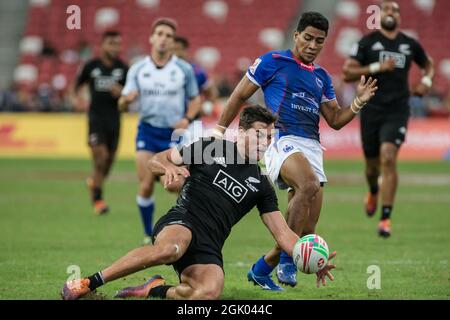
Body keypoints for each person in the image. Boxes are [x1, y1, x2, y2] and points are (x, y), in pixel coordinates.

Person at [60, 105, 337, 300]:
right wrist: (166, 169)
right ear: (240, 132)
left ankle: (154, 289)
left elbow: (282, 233)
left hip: (210, 245)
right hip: (182, 220)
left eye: (269, 136)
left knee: (208, 293)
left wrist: (307, 255)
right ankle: (89, 282)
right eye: (259, 134)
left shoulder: (261, 184)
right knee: (170, 249)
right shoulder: (210, 147)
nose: (265, 142)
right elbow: (159, 158)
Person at [212, 12, 377, 290]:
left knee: (305, 231)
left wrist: (358, 102)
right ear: (296, 35)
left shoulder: (322, 77)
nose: (313, 45)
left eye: (320, 41)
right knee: (309, 184)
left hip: (312, 147)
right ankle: (289, 260)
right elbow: (240, 95)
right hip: (280, 138)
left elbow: (335, 120)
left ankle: (261, 270)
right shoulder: (272, 62)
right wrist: (218, 132)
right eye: (309, 38)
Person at [342, 0, 434, 237]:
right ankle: (373, 190)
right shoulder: (367, 42)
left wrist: (425, 81)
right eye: (387, 9)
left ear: (399, 17)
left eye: (395, 10)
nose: (391, 12)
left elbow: (428, 65)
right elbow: (347, 72)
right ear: (379, 14)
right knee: (372, 168)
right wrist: (376, 67)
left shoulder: (409, 43)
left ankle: (385, 218)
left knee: (388, 155)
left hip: (398, 110)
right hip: (371, 110)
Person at [118, 18, 201, 244]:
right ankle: (148, 234)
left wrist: (187, 118)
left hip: (173, 136)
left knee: (176, 185)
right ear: (152, 38)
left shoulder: (183, 69)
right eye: (160, 34)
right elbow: (122, 105)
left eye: (168, 36)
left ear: (173, 42)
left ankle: (188, 227)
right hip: (147, 131)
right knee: (145, 183)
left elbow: (196, 99)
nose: (164, 39)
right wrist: (127, 101)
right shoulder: (138, 69)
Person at [74, 31, 128, 215]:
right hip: (95, 118)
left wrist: (121, 93)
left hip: (114, 119)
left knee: (108, 162)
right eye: (111, 43)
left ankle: (94, 183)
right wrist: (78, 100)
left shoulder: (123, 68)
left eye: (118, 44)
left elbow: (130, 97)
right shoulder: (91, 66)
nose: (115, 47)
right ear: (103, 45)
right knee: (101, 156)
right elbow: (76, 87)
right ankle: (98, 200)